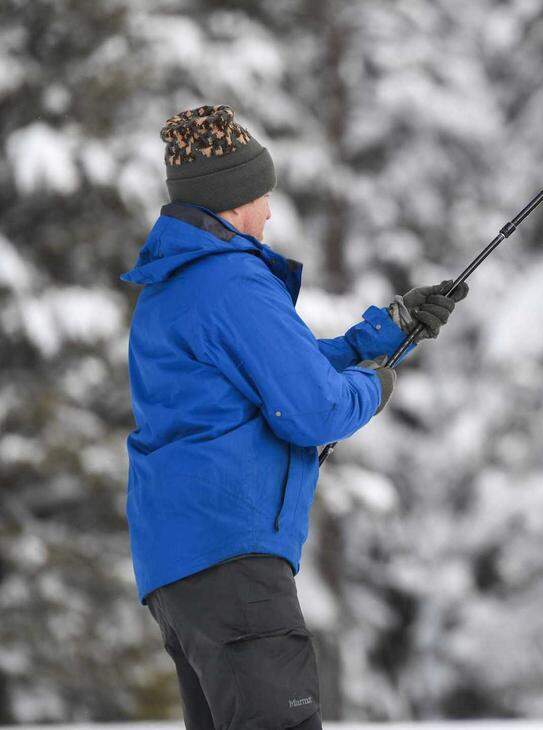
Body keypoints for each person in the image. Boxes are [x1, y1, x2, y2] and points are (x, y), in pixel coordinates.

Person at [122, 105, 467, 730]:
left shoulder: (176, 285)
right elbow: (311, 409)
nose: (270, 211)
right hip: (234, 564)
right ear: (232, 199)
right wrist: (373, 385)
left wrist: (379, 336)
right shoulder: (230, 280)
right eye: (262, 195)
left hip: (183, 570)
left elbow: (274, 375)